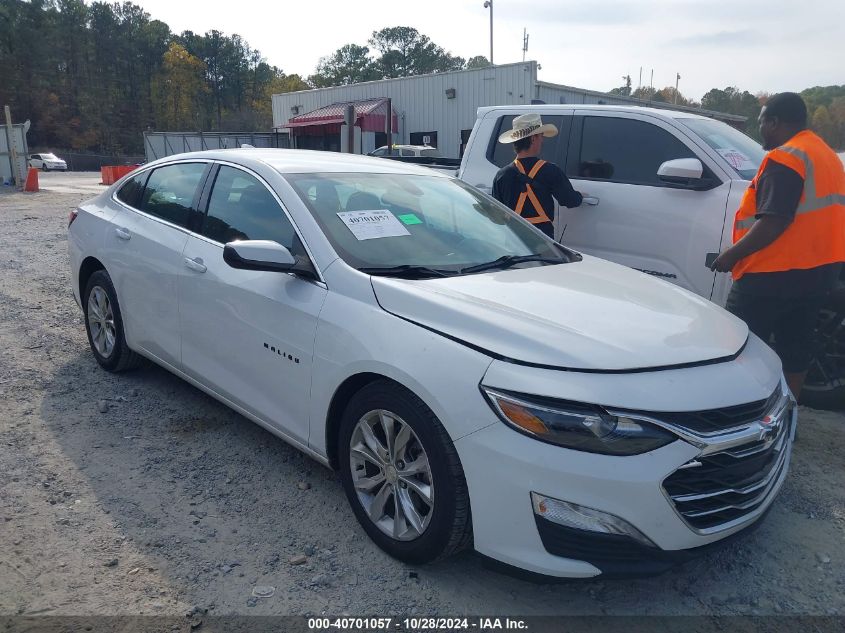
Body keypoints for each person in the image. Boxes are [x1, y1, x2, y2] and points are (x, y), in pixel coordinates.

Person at [710, 92, 845, 398]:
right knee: (795, 346)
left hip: (771, 274)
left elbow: (774, 221)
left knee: (739, 345)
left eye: (761, 122)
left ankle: (735, 411)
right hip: (817, 273)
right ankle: (789, 416)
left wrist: (731, 256)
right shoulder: (826, 155)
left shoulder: (786, 157)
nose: (760, 130)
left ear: (774, 122)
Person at [492, 113, 584, 239]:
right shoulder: (551, 171)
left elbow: (497, 216)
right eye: (541, 136)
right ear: (533, 138)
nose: (542, 140)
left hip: (513, 242)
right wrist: (580, 196)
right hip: (542, 242)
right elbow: (571, 201)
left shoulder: (501, 175)